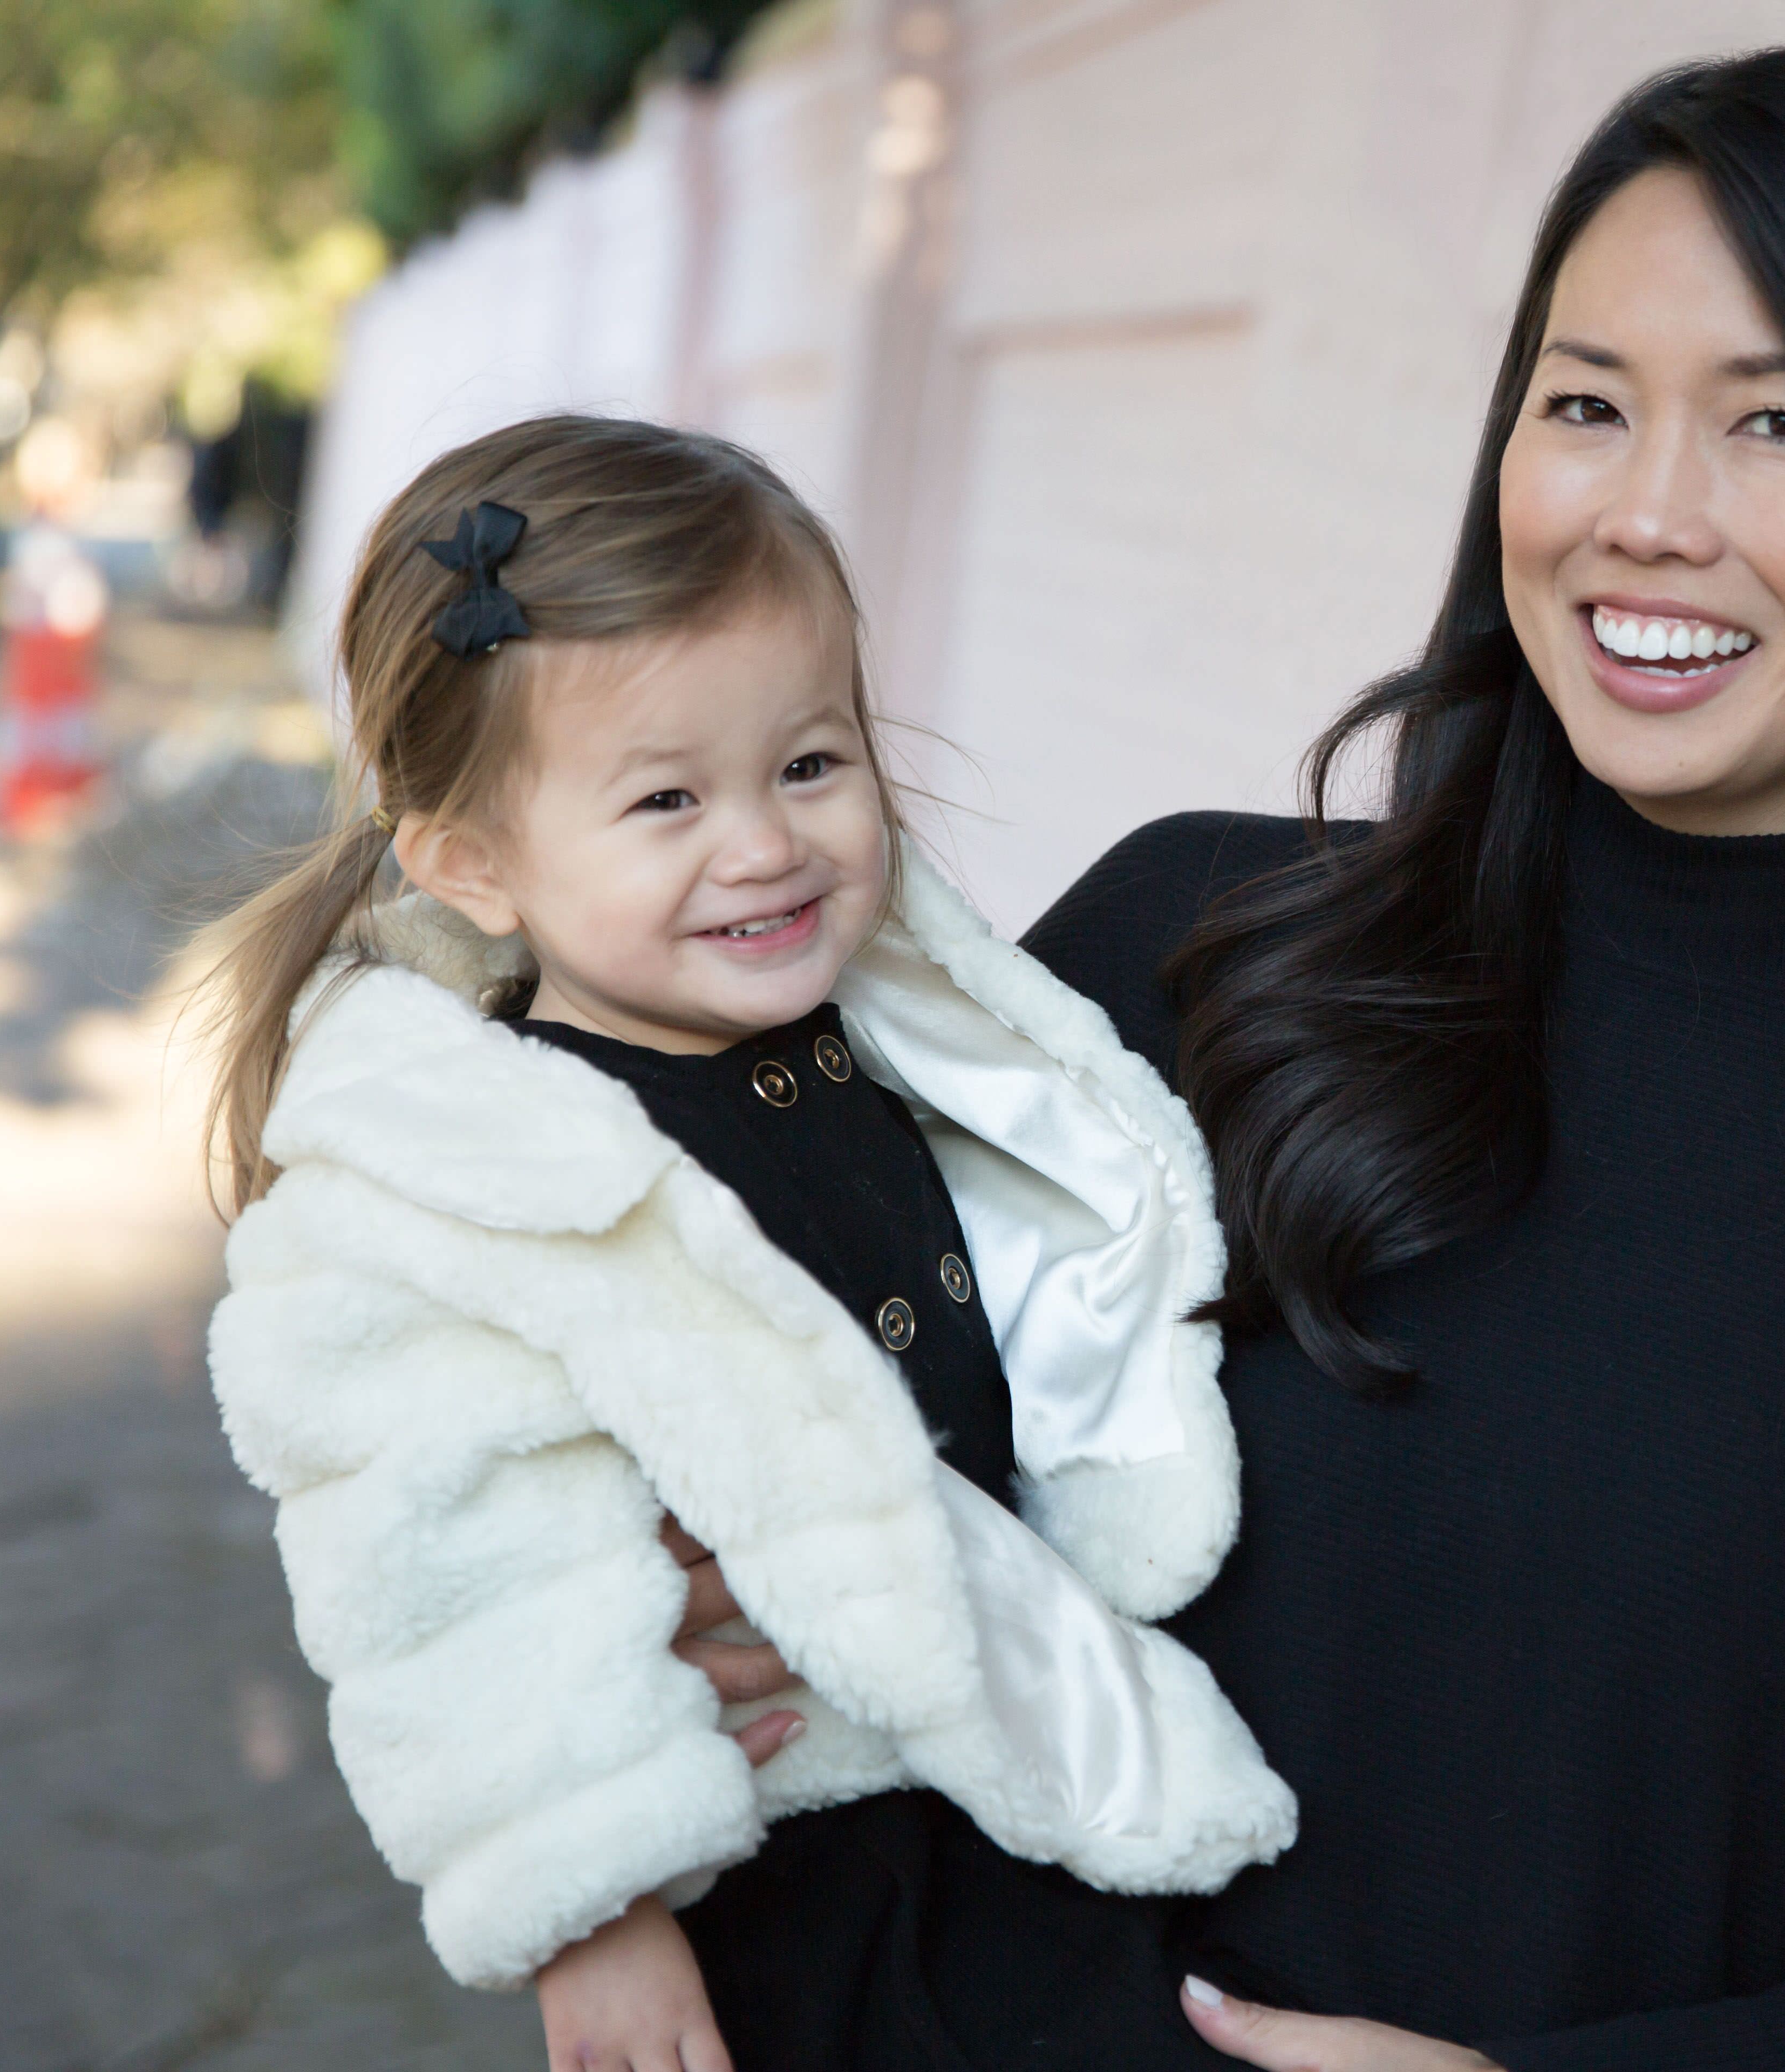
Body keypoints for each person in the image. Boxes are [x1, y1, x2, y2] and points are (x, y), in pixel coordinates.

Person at [699, 46, 1785, 2071]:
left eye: (1781, 422)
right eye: (1587, 402)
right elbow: (762, 1434)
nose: (1651, 515)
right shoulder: (1184, 968)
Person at [196, 415, 1297, 2072]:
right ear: (472, 861)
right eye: (665, 799)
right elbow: (441, 1561)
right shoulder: (475, 1178)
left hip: (998, 1790)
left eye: (809, 763)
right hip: (785, 1869)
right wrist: (600, 1914)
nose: (766, 845)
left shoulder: (883, 1033)